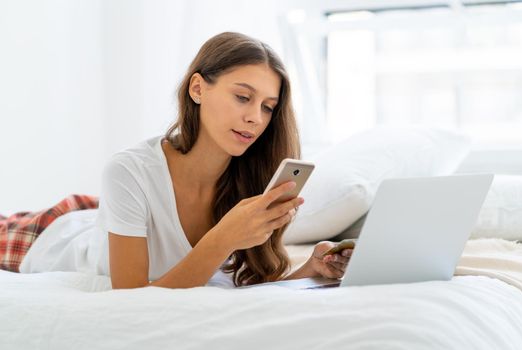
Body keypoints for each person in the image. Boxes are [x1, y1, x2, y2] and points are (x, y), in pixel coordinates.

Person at [0, 32, 353, 289]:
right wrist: (223, 238)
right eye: (243, 97)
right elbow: (132, 301)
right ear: (197, 89)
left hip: (110, 217)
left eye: (267, 107)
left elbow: (249, 290)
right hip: (47, 234)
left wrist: (311, 269)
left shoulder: (250, 177)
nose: (256, 119)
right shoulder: (128, 170)